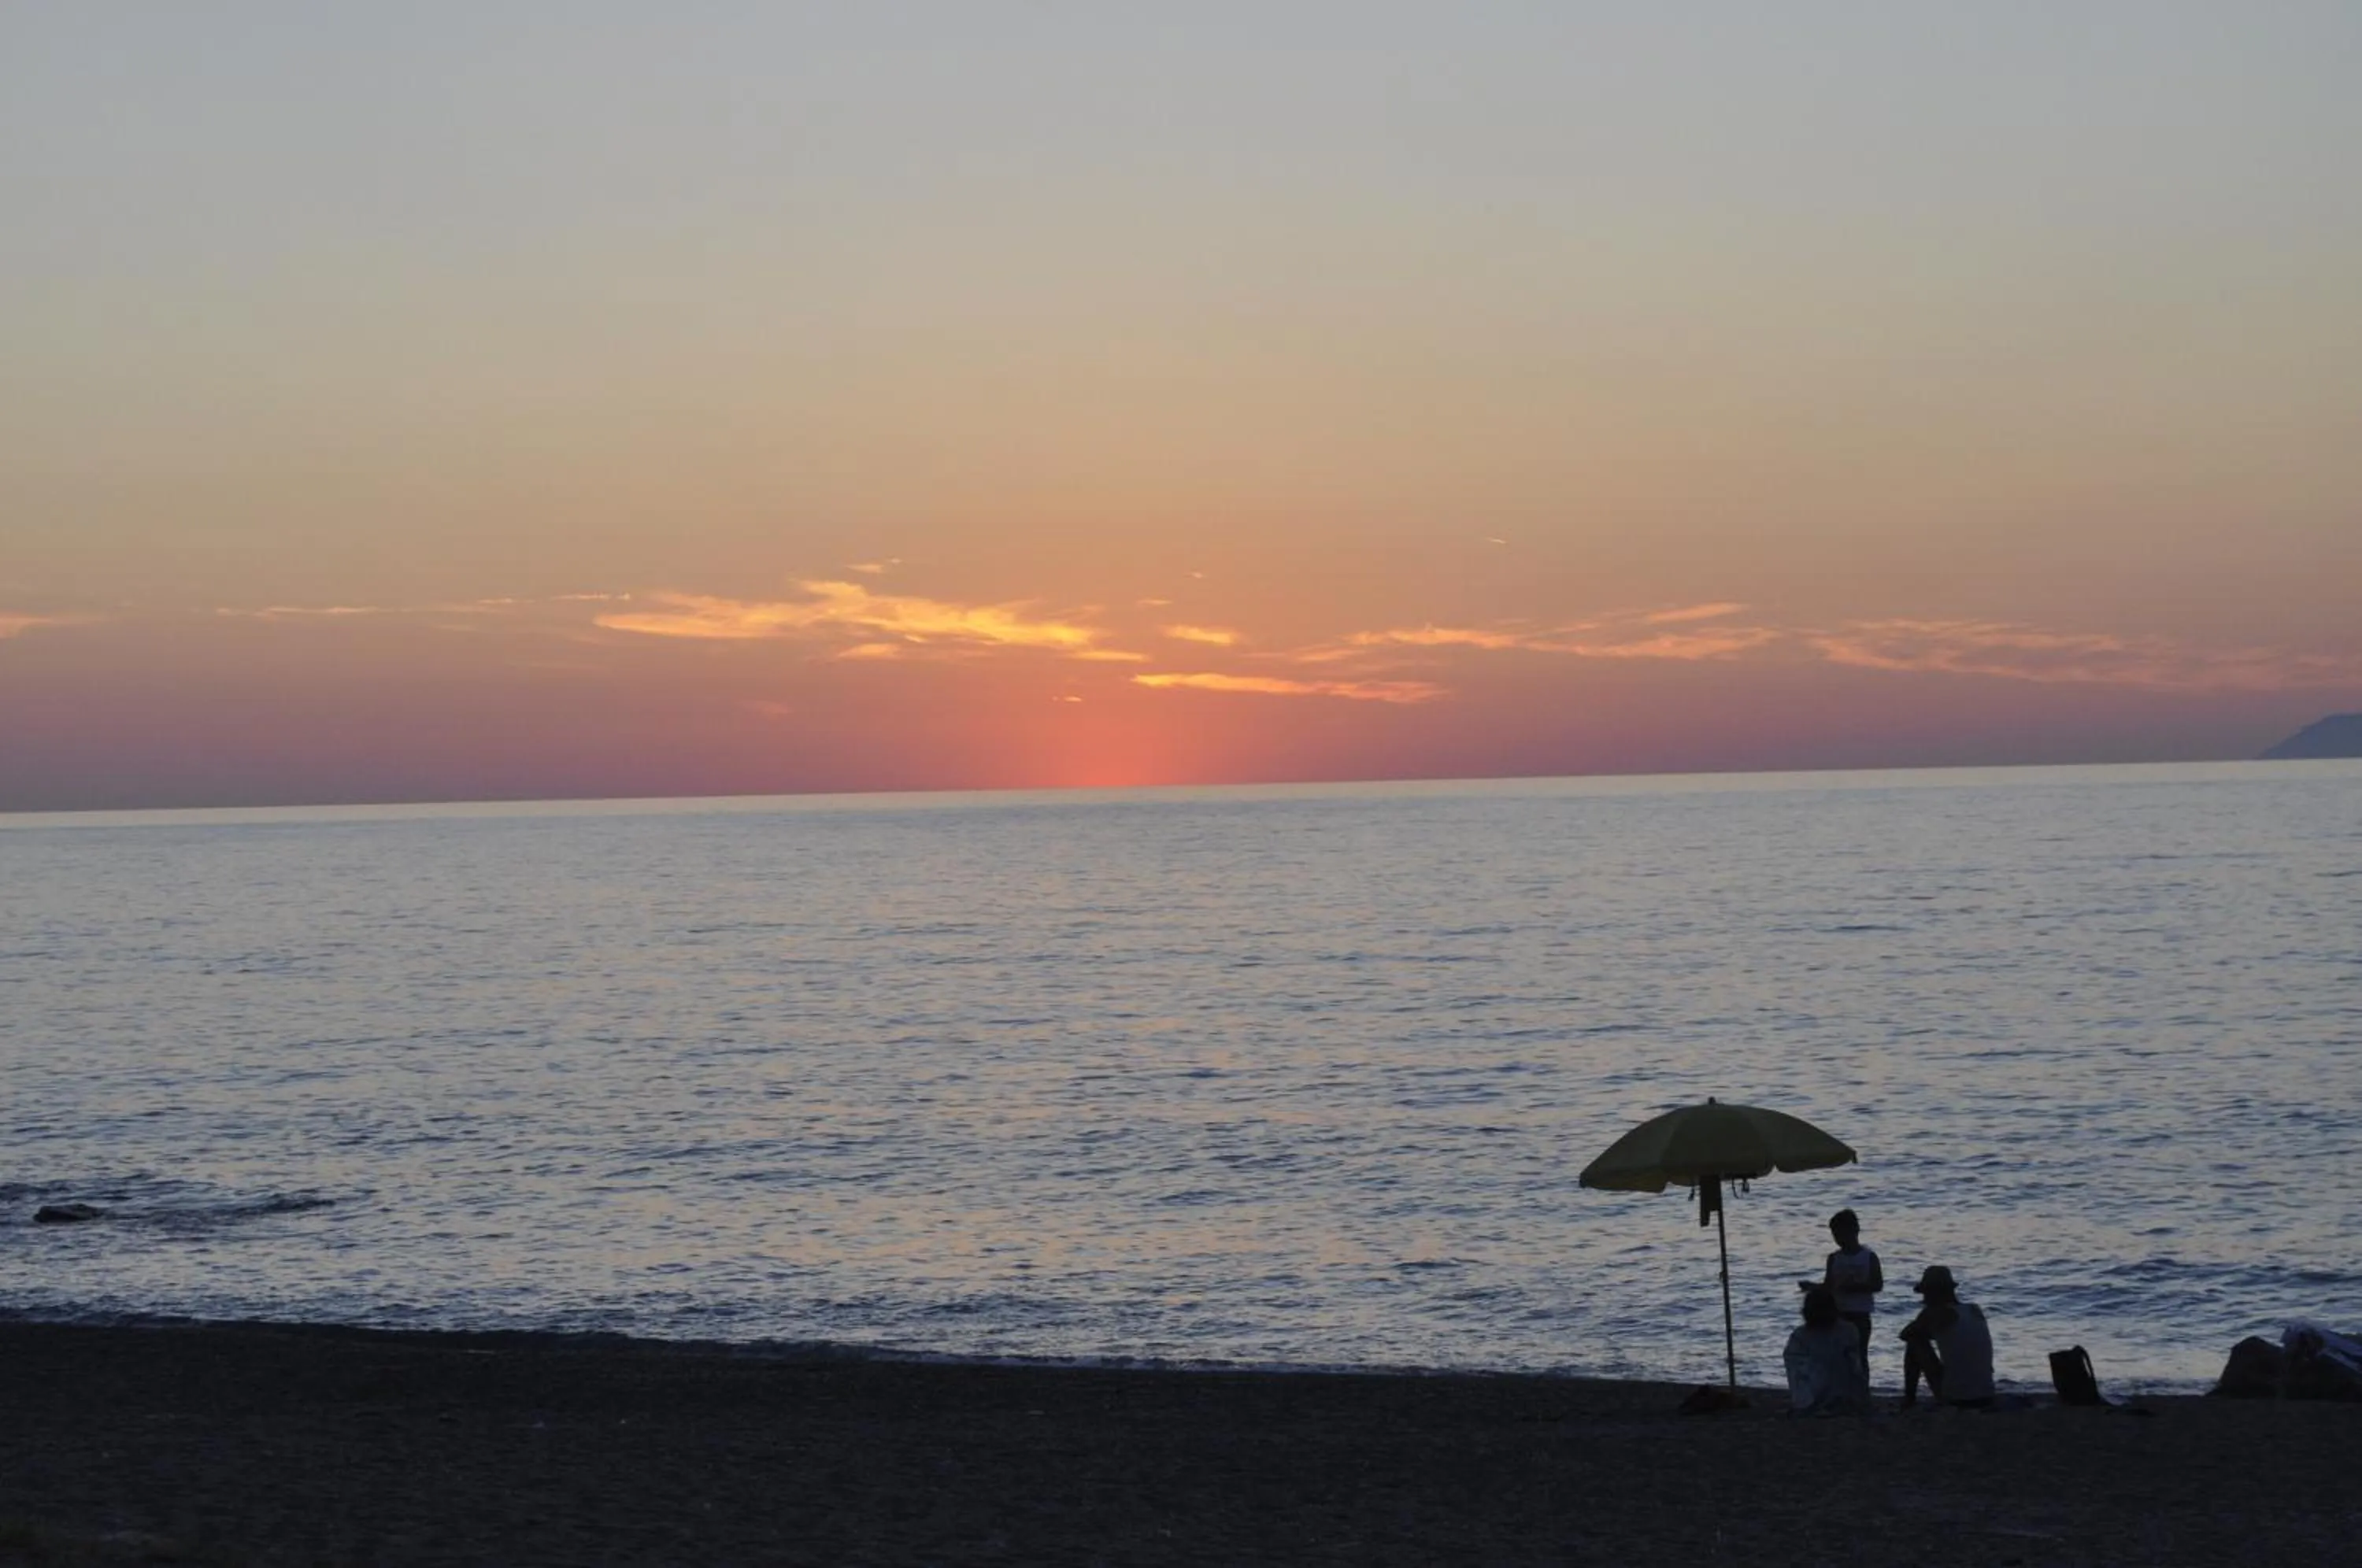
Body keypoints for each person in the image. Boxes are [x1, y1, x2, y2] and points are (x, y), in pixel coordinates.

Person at [1897, 1265, 1994, 1410]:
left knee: (1914, 1342)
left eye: (1926, 1293)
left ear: (1932, 1293)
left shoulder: (1937, 1313)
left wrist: (1925, 1322)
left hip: (1958, 1397)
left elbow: (1905, 1334)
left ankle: (1909, 1400)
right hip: (1987, 1393)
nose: (1924, 1299)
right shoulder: (1973, 1309)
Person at [1784, 1285, 1868, 1415]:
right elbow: (1856, 1368)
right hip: (1840, 1389)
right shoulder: (1848, 1330)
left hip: (1815, 1388)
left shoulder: (1800, 1335)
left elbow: (1794, 1366)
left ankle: (1813, 1402)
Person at [1819, 1209, 1883, 1366]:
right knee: (1838, 1356)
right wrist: (1814, 1288)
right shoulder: (1834, 1258)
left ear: (1855, 1231)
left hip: (1860, 1314)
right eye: (1835, 1235)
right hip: (1838, 1314)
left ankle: (1862, 1382)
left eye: (1841, 1233)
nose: (1839, 1238)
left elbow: (1877, 1285)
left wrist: (1854, 1288)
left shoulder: (1868, 1257)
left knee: (1860, 1355)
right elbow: (1829, 1286)